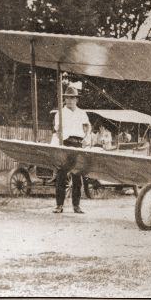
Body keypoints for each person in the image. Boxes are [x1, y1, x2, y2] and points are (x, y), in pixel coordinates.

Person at [52, 86, 90, 214]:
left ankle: (76, 205)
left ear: (77, 99)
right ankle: (59, 205)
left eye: (72, 98)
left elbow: (87, 128)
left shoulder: (82, 113)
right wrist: (60, 138)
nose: (69, 100)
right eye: (67, 98)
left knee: (77, 176)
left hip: (78, 144)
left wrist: (86, 138)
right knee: (61, 174)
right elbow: (57, 130)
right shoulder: (60, 113)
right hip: (66, 144)